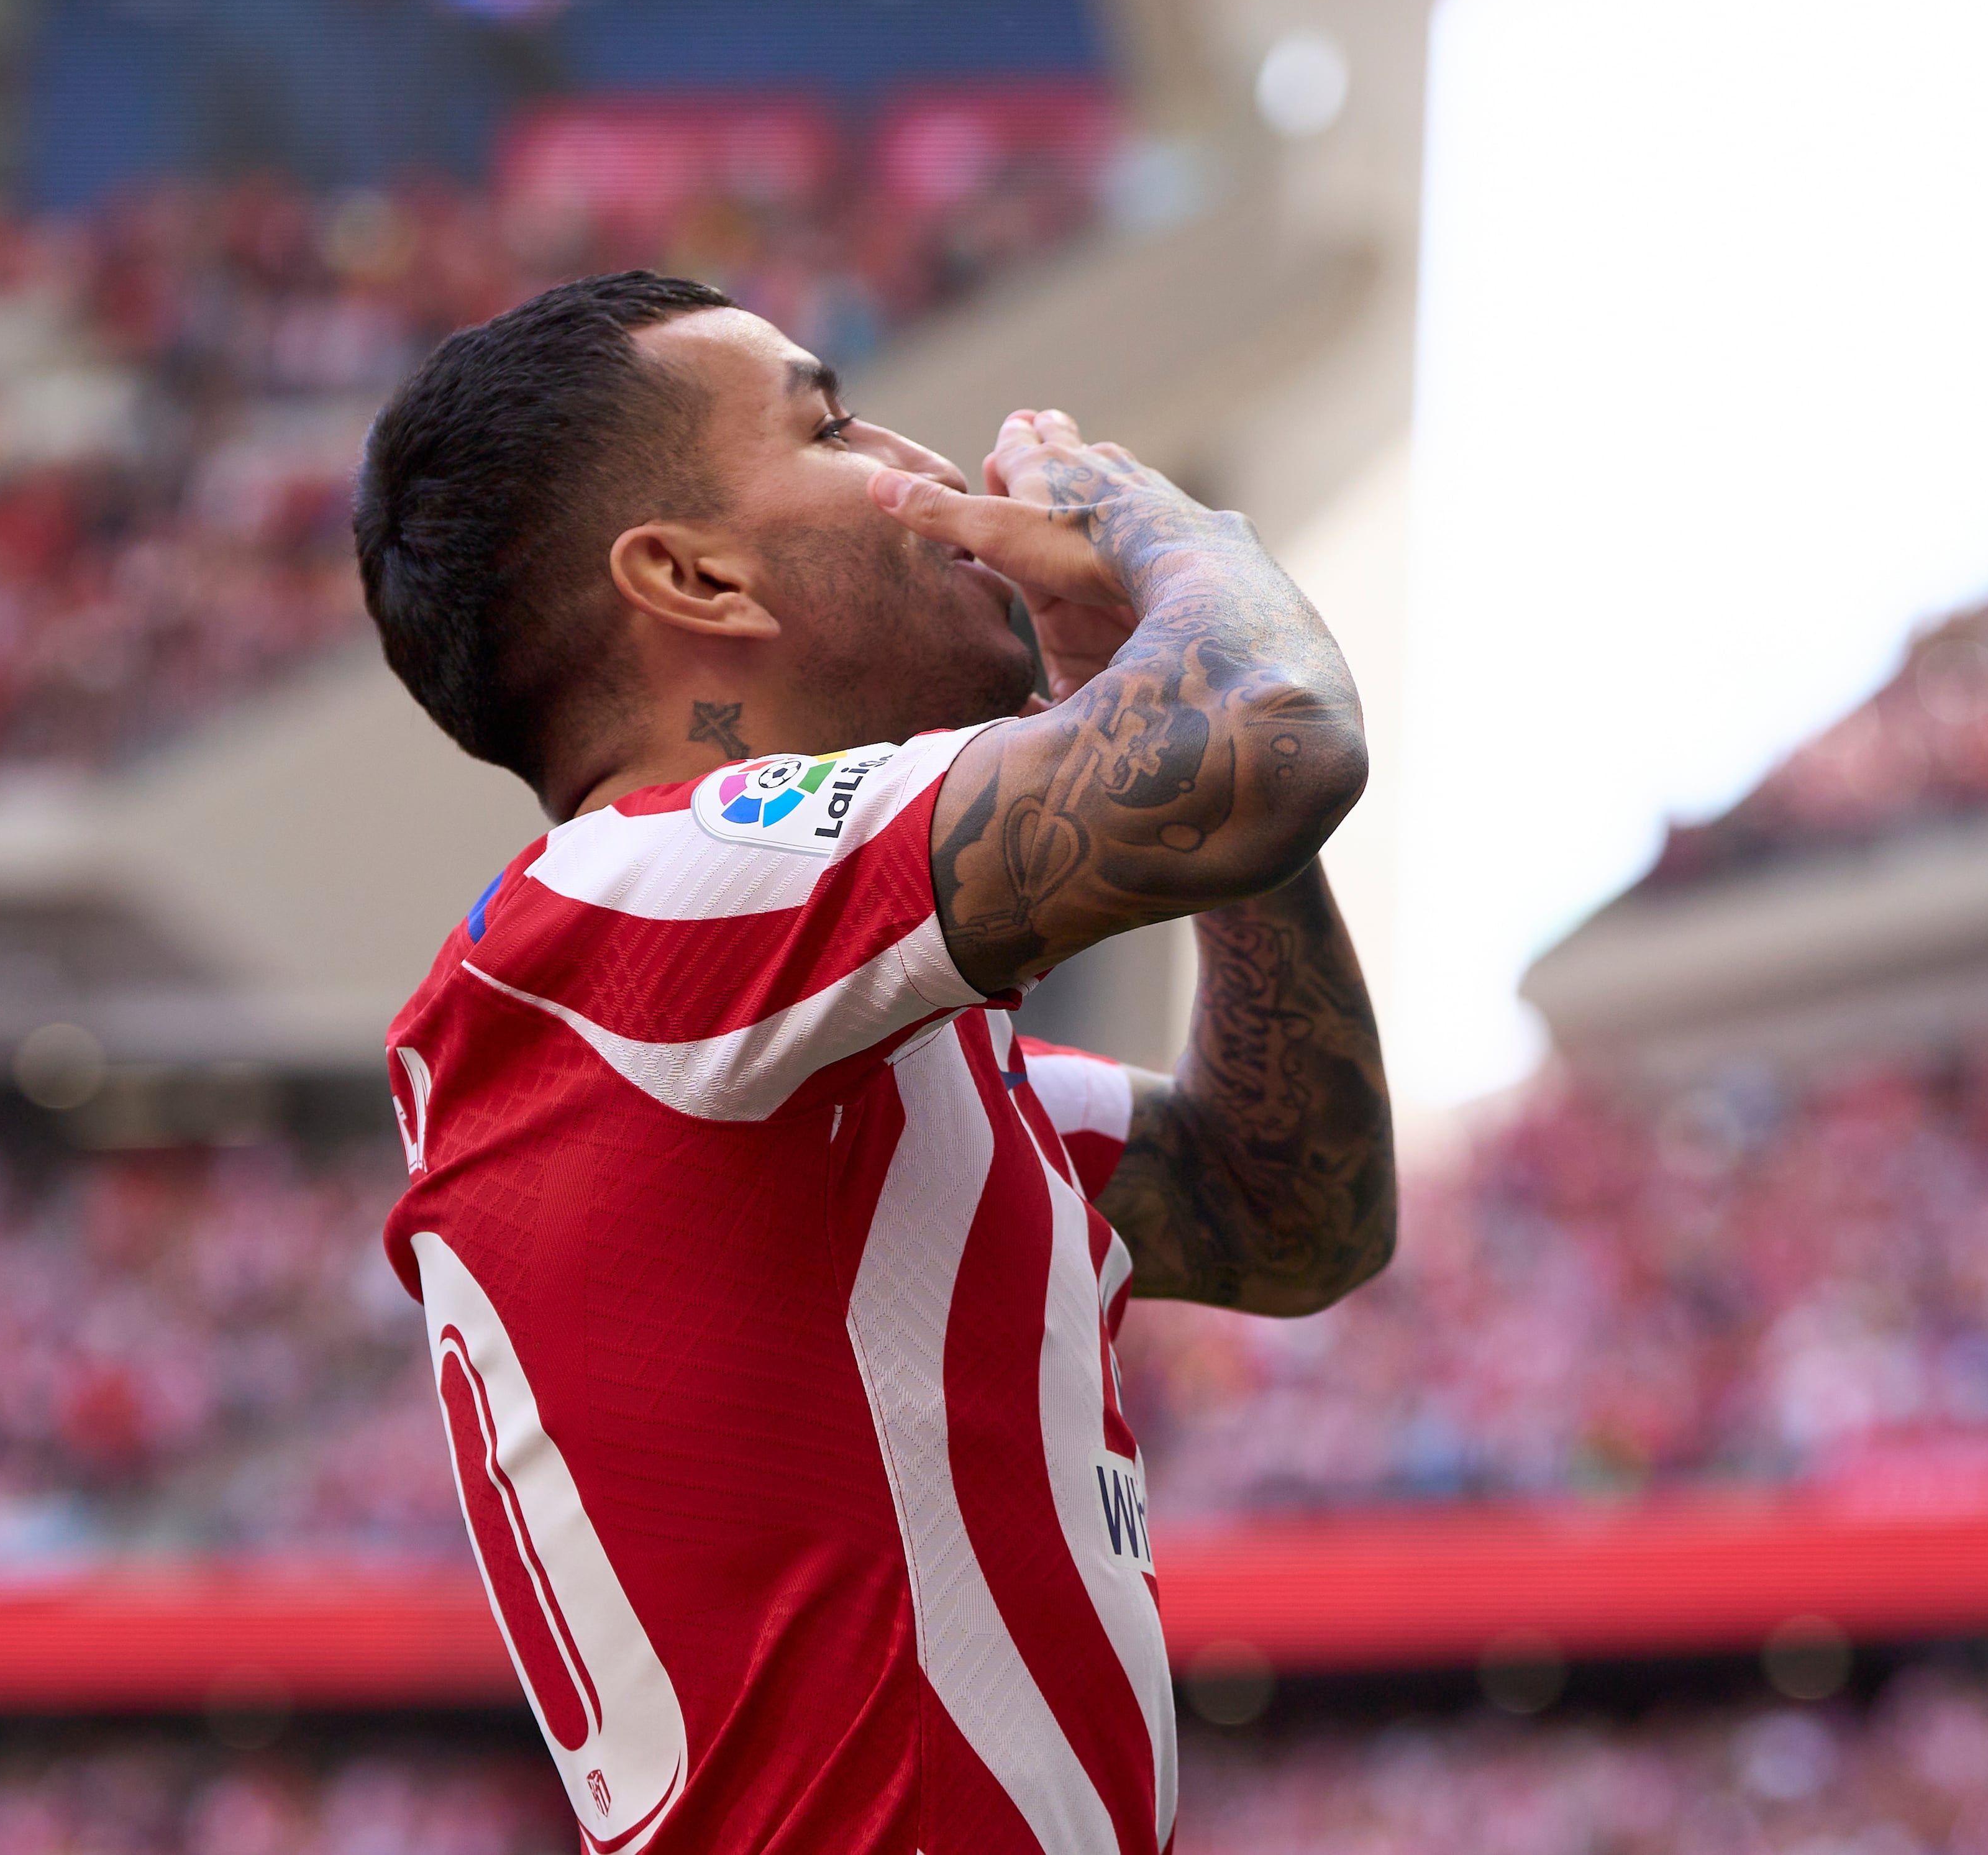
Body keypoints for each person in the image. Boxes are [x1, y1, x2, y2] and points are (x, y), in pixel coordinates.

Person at [352, 270, 1395, 1854]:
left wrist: (1135, 670)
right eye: (832, 424)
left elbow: (1288, 1205)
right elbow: (1267, 739)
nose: (915, 460)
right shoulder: (627, 895)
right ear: (696, 575)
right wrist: (1182, 544)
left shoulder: (788, 1044)